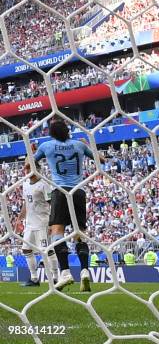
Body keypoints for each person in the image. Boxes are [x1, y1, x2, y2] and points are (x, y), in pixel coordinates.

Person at [33, 119, 105, 292]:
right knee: (79, 232)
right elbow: (101, 159)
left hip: (60, 191)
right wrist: (86, 143)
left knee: (56, 231)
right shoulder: (78, 145)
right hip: (78, 191)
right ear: (67, 130)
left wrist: (32, 152)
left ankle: (65, 272)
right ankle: (85, 271)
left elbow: (29, 165)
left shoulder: (46, 146)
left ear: (51, 133)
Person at [19, 162, 60, 287]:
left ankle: (56, 278)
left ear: (36, 169)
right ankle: (34, 278)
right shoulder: (25, 184)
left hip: (43, 223)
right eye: (25, 168)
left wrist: (52, 223)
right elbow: (26, 203)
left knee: (47, 250)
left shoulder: (44, 184)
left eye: (28, 168)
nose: (26, 170)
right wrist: (19, 219)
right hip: (30, 224)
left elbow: (52, 204)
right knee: (26, 250)